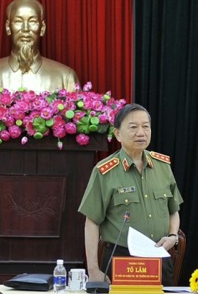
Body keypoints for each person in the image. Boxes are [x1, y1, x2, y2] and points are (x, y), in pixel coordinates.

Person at [78, 103, 184, 286]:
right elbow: (92, 222)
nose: (141, 133)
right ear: (117, 133)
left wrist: (173, 236)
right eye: (133, 127)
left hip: (159, 259)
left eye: (145, 126)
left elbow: (173, 211)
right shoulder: (104, 171)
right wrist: (94, 270)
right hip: (121, 260)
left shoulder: (163, 166)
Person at [0, 0, 79, 92]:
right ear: (8, 27)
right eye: (18, 21)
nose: (25, 29)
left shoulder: (65, 77)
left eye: (32, 21)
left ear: (42, 28)